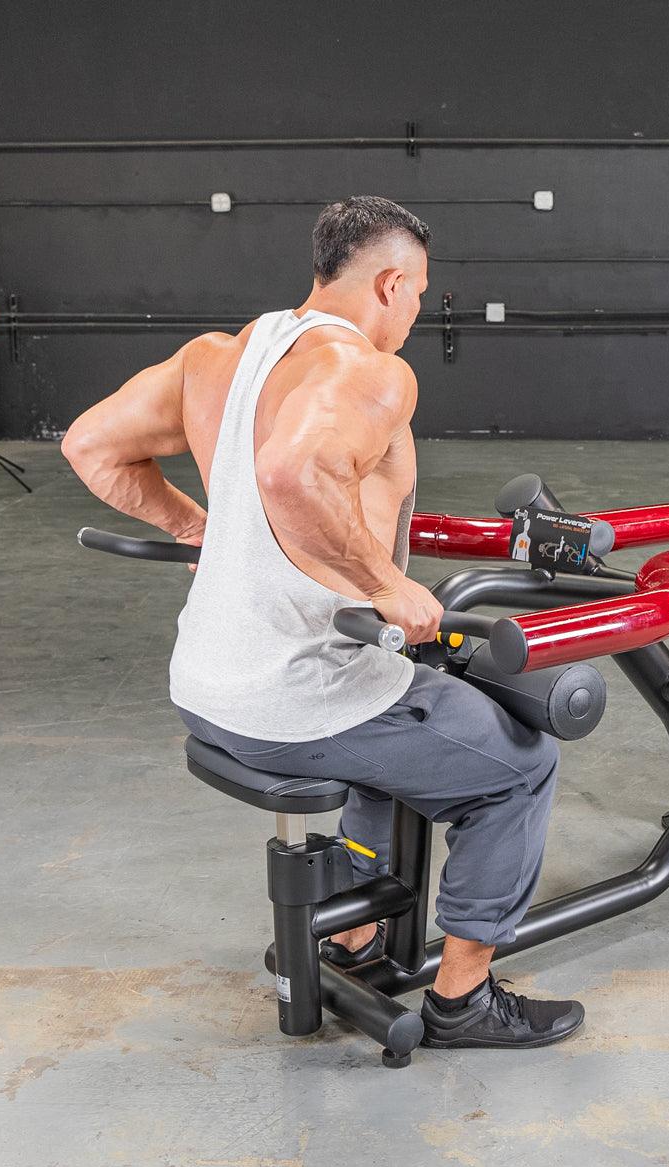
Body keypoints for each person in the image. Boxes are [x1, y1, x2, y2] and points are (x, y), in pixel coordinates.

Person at [61, 196, 584, 1049]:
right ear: (390, 282)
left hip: (202, 684)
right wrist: (385, 583)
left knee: (399, 712)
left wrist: (202, 529)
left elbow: (89, 444)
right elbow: (293, 469)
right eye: (420, 293)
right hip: (295, 697)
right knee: (519, 767)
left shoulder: (216, 358)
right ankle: (464, 1001)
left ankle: (352, 932)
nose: (419, 310)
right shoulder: (371, 372)